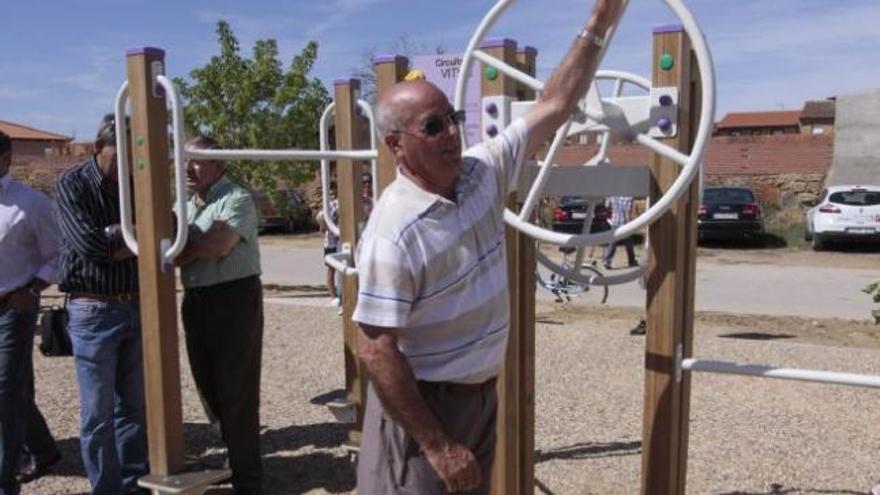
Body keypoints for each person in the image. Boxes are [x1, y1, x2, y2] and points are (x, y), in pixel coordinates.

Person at [351, 1, 623, 493]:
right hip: (423, 411)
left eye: (452, 119)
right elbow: (374, 348)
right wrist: (436, 445)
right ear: (396, 145)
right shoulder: (394, 232)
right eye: (432, 127)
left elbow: (556, 104)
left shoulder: (482, 172)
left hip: (480, 397)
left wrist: (599, 22)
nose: (452, 134)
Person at [55, 114, 148, 495]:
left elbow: (167, 227)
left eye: (132, 157)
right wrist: (137, 236)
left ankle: (134, 483)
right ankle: (107, 489)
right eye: (118, 155)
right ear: (98, 148)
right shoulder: (72, 185)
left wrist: (120, 239)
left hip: (136, 305)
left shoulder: (137, 184)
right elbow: (92, 247)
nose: (125, 165)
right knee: (98, 413)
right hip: (93, 310)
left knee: (133, 408)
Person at [175, 136, 264, 495]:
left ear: (218, 164)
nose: (187, 168)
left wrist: (181, 251)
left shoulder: (237, 198)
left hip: (233, 299)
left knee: (236, 388)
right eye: (185, 160)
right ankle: (234, 459)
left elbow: (217, 245)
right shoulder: (185, 205)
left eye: (195, 160)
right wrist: (184, 249)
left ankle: (248, 479)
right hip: (197, 299)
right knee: (207, 386)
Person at [0, 131, 62, 495]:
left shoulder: (31, 203)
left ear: (6, 159)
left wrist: (33, 289)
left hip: (14, 306)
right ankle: (44, 449)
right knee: (13, 390)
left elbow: (56, 255)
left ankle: (6, 481)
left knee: (5, 391)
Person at [602, 195, 637, 270]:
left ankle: (607, 261)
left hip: (615, 222)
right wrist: (630, 223)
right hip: (625, 223)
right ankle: (632, 261)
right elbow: (628, 212)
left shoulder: (612, 195)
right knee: (629, 244)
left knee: (612, 243)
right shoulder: (629, 197)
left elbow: (607, 205)